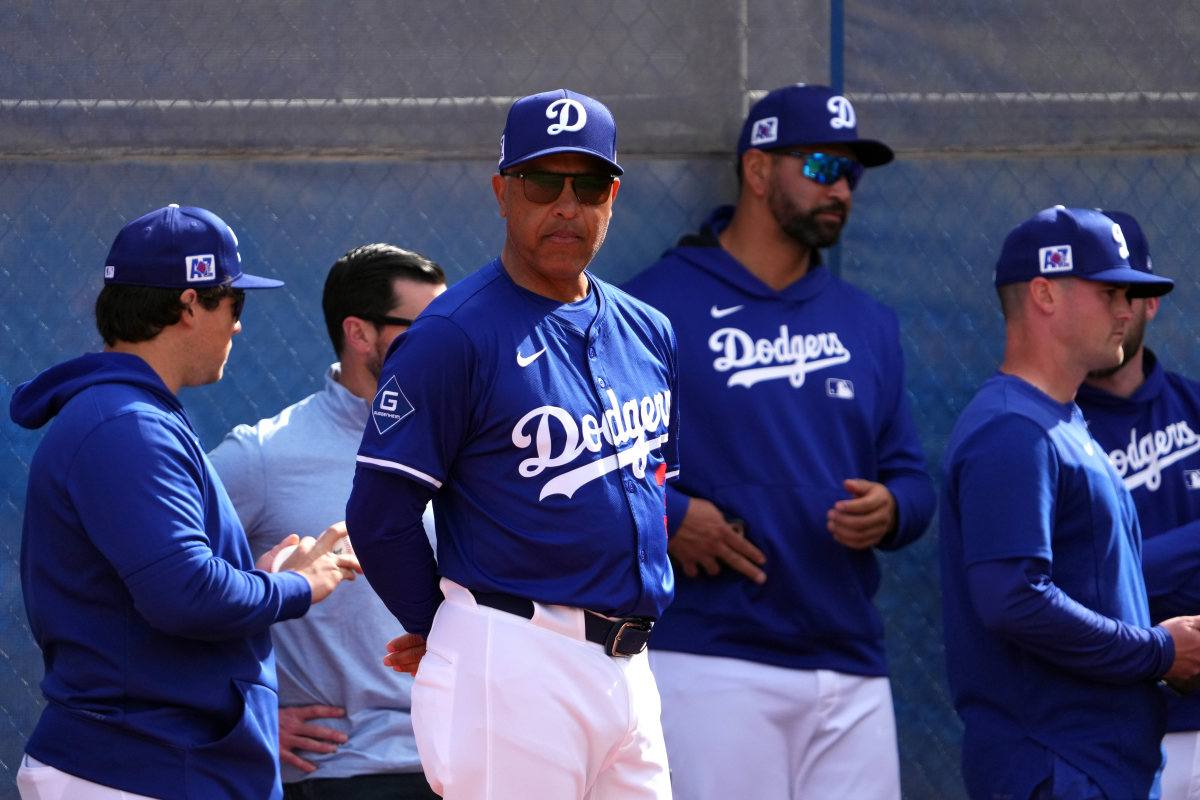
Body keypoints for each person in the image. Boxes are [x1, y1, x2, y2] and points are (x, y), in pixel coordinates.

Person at [345, 89, 679, 799]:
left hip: (630, 666)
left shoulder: (648, 329)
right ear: (503, 191)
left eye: (587, 184)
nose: (566, 205)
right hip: (514, 656)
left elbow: (652, 485)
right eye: (541, 182)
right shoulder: (451, 335)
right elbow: (381, 515)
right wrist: (444, 628)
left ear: (612, 194)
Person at [622, 83, 934, 799]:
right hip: (711, 655)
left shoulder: (868, 322)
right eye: (824, 167)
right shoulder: (654, 309)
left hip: (850, 659)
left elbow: (914, 480)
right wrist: (669, 517)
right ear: (758, 172)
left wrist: (892, 508)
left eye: (852, 173)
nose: (844, 190)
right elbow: (596, 464)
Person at [10, 204, 361, 800]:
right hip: (134, 766)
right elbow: (186, 597)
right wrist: (300, 585)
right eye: (234, 304)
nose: (239, 326)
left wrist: (257, 578)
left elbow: (164, 585)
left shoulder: (128, 415)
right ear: (189, 303)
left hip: (152, 760)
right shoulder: (125, 424)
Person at [939, 205, 1200, 799]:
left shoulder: (1059, 419)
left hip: (1099, 764)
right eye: (1109, 292)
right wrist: (1159, 650)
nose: (1125, 310)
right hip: (1057, 764)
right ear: (1044, 294)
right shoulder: (1011, 428)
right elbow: (1012, 599)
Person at [208, 243, 447, 799]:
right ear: (359, 334)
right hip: (341, 775)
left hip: (463, 761)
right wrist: (239, 714)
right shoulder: (263, 456)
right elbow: (168, 586)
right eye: (423, 328)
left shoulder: (469, 440)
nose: (445, 345)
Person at [1074, 210, 1200, 800]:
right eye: (1103, 294)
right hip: (1112, 725)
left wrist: (1136, 569)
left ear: (1150, 304)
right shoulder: (1052, 431)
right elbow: (1071, 586)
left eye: (1130, 293)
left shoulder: (1194, 408)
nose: (1118, 311)